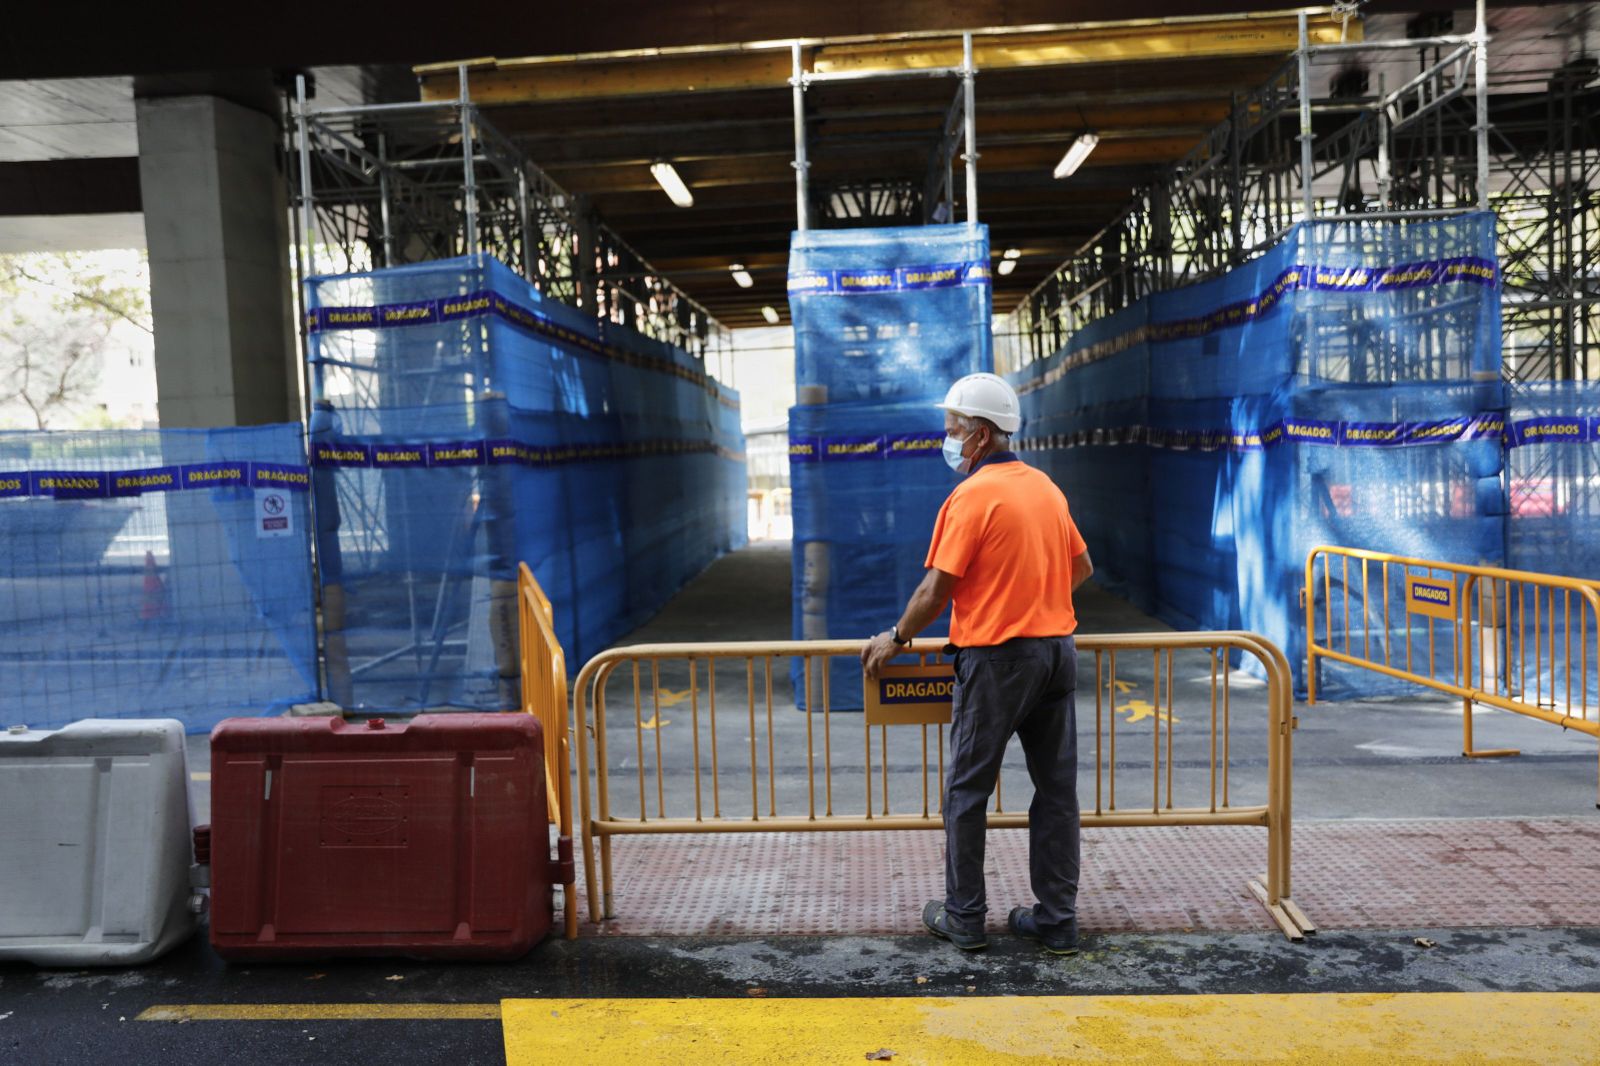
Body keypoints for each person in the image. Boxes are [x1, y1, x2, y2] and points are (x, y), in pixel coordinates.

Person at [861, 372, 1094, 954]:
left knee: (967, 791)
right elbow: (1081, 568)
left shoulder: (971, 496)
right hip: (1056, 655)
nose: (949, 441)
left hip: (997, 661)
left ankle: (965, 916)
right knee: (1056, 792)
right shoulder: (1045, 488)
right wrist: (1034, 596)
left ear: (982, 435)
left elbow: (936, 589)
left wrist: (896, 636)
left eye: (954, 431)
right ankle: (1057, 919)